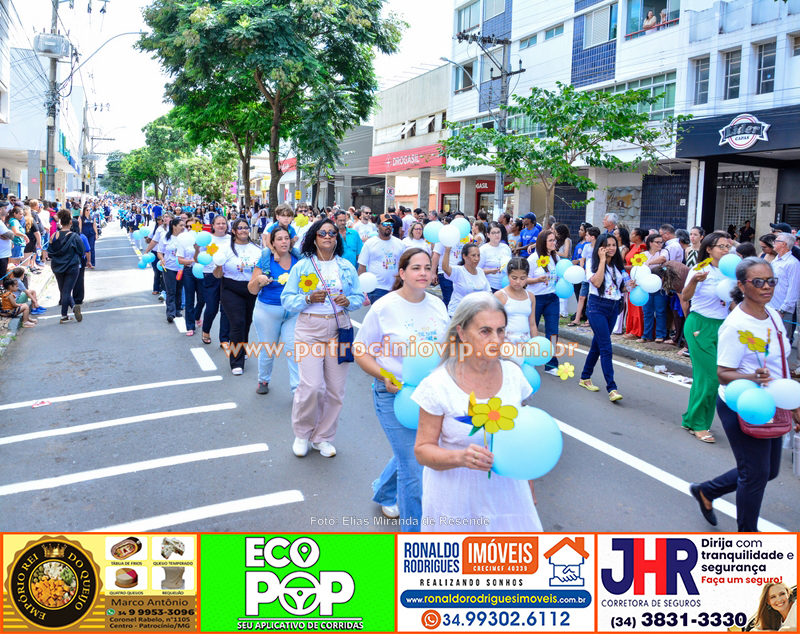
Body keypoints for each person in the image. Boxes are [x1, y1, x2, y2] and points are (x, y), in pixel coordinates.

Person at [412, 293, 542, 532]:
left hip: (509, 498)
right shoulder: (437, 385)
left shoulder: (514, 375)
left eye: (500, 330)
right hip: (455, 502)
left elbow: (522, 439)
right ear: (461, 334)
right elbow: (422, 451)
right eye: (485, 331)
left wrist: (529, 486)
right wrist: (460, 458)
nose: (496, 339)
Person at [690, 258, 800, 532]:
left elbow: (781, 364)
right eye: (758, 282)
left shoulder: (772, 314)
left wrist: (794, 404)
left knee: (768, 471)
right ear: (741, 285)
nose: (767, 287)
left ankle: (706, 491)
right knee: (756, 474)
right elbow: (723, 373)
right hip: (743, 404)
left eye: (771, 281)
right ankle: (748, 537)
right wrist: (751, 377)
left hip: (773, 401)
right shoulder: (736, 325)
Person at [355, 248, 449, 528]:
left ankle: (385, 491)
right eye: (416, 268)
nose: (423, 273)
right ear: (402, 272)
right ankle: (415, 538)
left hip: (432, 395)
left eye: (427, 268)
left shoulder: (438, 306)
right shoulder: (384, 307)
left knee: (413, 453)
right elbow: (361, 350)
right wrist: (384, 375)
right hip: (395, 395)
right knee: (415, 466)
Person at [281, 217, 364, 458]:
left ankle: (323, 437)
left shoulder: (346, 267)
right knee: (312, 386)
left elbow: (359, 297)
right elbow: (287, 299)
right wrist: (308, 299)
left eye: (332, 233)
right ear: (314, 237)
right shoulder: (302, 267)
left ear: (337, 238)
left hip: (340, 328)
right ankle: (302, 434)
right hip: (309, 330)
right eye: (322, 233)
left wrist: (348, 301)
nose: (328, 236)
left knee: (336, 390)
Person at [678, 231, 733, 442]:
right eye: (722, 246)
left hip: (723, 327)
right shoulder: (700, 269)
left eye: (728, 247)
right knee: (710, 378)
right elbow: (685, 296)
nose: (726, 250)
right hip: (699, 325)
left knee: (710, 378)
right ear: (709, 249)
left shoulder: (730, 271)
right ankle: (699, 424)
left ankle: (692, 418)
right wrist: (694, 281)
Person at [249, 225, 300, 395]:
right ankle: (263, 380)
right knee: (268, 349)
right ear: (273, 243)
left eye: (286, 238)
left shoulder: (299, 259)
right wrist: (259, 280)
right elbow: (252, 289)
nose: (284, 242)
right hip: (267, 312)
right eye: (279, 239)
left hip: (293, 312)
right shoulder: (265, 259)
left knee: (293, 351)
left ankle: (297, 391)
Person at [578, 233, 630, 400]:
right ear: (600, 246)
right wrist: (601, 260)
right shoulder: (593, 263)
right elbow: (598, 283)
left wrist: (627, 286)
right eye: (607, 245)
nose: (611, 248)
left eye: (614, 245)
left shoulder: (616, 266)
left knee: (598, 345)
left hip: (613, 307)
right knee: (606, 347)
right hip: (596, 307)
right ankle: (612, 388)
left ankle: (585, 377)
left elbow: (616, 288)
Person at [213, 217, 262, 374]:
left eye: (246, 228)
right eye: (239, 228)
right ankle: (236, 362)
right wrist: (219, 266)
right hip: (231, 288)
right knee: (237, 323)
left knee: (247, 323)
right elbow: (217, 275)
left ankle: (242, 348)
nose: (243, 231)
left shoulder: (257, 249)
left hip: (251, 289)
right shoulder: (226, 250)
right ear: (233, 231)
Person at [358, 213, 405, 304]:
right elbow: (362, 267)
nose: (388, 226)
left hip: (396, 287)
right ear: (378, 226)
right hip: (377, 288)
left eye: (390, 224)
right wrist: (362, 290)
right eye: (385, 224)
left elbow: (404, 265)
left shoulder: (400, 243)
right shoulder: (370, 243)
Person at [48, 209, 85, 324]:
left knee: (63, 290)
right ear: (70, 222)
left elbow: (49, 252)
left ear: (59, 222)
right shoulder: (75, 236)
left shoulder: (53, 236)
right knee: (67, 290)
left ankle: (72, 307)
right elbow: (82, 251)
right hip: (71, 266)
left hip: (57, 266)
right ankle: (64, 315)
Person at [201, 215, 232, 346]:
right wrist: (197, 248)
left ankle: (224, 338)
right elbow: (199, 257)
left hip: (227, 276)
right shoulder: (207, 239)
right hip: (210, 275)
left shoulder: (232, 239)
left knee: (225, 308)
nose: (221, 226)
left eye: (223, 223)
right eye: (218, 223)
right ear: (213, 225)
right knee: (212, 307)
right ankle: (206, 330)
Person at [442, 242, 491, 317]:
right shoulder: (459, 271)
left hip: (475, 314)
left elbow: (488, 292)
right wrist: (447, 250)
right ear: (464, 256)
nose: (477, 259)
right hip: (459, 314)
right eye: (473, 255)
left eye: (478, 255)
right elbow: (445, 268)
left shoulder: (480, 271)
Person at [494, 257, 537, 343]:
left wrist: (535, 343)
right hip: (506, 341)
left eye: (522, 278)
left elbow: (532, 324)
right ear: (508, 275)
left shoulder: (530, 297)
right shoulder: (500, 295)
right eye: (514, 278)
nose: (518, 282)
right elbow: (493, 323)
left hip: (525, 340)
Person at [768, 233, 800, 343]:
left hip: (781, 310)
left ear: (784, 244)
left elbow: (793, 289)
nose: (773, 243)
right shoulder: (775, 260)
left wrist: (782, 310)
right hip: (769, 307)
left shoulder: (793, 263)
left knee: (780, 343)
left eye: (776, 241)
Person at [567, 226, 600, 326]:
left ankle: (589, 319)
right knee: (582, 296)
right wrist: (583, 268)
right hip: (586, 275)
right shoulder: (586, 246)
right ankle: (577, 318)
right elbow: (582, 259)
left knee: (591, 297)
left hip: (594, 275)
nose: (586, 236)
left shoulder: (600, 247)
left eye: (587, 235)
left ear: (593, 237)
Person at [639, 233, 668, 343]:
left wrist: (649, 262)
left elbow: (663, 259)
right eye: (657, 242)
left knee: (660, 311)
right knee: (647, 312)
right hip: (646, 286)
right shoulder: (644, 254)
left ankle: (660, 334)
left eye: (661, 242)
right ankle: (647, 335)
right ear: (650, 243)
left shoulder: (663, 252)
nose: (660, 244)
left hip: (660, 286)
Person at [156, 217, 186, 324]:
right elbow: (159, 252)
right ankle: (170, 313)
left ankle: (177, 310)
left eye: (184, 225)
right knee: (170, 291)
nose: (183, 227)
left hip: (181, 269)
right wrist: (162, 259)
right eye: (181, 225)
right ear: (174, 226)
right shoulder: (165, 238)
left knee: (179, 290)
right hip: (168, 268)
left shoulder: (185, 238)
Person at [622, 227, 647, 339]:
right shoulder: (632, 247)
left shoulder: (642, 248)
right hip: (628, 276)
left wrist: (624, 267)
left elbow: (640, 264)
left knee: (636, 304)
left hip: (636, 276)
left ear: (638, 237)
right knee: (630, 302)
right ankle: (630, 328)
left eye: (632, 234)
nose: (630, 236)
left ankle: (637, 330)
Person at [479, 222, 512, 293]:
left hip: (505, 287)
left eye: (498, 232)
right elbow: (477, 270)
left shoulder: (506, 248)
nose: (496, 235)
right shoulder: (483, 249)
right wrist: (490, 270)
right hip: (489, 287)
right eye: (493, 233)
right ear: (488, 235)